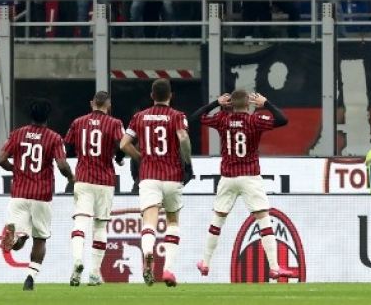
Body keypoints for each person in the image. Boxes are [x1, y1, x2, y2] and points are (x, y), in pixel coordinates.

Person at [191, 90, 294, 279]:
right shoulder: (255, 120)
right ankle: (274, 267)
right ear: (249, 104)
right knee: (263, 219)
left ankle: (205, 263)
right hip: (250, 176)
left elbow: (195, 118)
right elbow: (283, 120)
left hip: (228, 176)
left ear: (230, 104)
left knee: (218, 220)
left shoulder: (222, 119)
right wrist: (266, 103)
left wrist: (216, 103)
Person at [119, 78, 192, 287]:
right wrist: (186, 160)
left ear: (152, 96)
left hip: (149, 176)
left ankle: (148, 252)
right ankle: (168, 269)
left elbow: (124, 143)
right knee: (172, 221)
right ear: (171, 95)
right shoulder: (178, 116)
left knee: (149, 222)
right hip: (172, 175)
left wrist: (140, 157)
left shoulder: (139, 117)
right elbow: (183, 138)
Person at [0, 98, 75, 291]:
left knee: (17, 241)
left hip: (19, 194)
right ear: (47, 117)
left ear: (30, 115)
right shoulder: (54, 138)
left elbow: (1, 159)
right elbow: (62, 164)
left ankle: (18, 237)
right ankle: (30, 277)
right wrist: (71, 178)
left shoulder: (17, 134)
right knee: (40, 238)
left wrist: (15, 169)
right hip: (42, 195)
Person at [64, 91, 131, 287]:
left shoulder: (78, 122)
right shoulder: (115, 123)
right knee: (100, 226)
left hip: (83, 178)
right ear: (108, 104)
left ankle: (77, 261)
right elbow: (123, 144)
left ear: (91, 103)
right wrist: (118, 157)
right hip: (105, 180)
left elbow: (66, 145)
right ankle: (94, 274)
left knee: (80, 222)